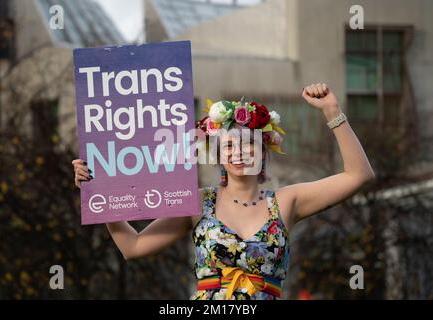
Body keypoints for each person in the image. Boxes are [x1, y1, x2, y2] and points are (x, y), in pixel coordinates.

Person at [72, 83, 375, 300]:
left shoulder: (286, 201)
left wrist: (332, 111)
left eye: (249, 144)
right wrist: (101, 192)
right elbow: (133, 247)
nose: (240, 152)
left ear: (263, 152)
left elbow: (358, 175)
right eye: (229, 145)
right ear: (218, 154)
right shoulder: (198, 203)